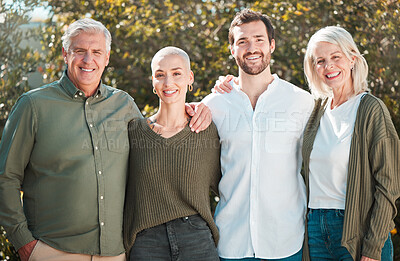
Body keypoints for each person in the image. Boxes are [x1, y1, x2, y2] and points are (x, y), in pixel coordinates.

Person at [0, 19, 210, 261]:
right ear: (65, 55)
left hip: (113, 254)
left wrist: (196, 109)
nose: (89, 60)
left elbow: (157, 142)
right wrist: (24, 243)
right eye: (80, 51)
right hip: (53, 251)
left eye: (97, 52)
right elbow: (6, 176)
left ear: (107, 57)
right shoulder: (33, 105)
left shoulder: (123, 104)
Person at [202, 9, 314, 260]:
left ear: (272, 45)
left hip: (285, 241)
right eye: (242, 41)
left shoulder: (301, 102)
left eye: (259, 39)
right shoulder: (214, 104)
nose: (252, 48)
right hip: (231, 242)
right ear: (232, 50)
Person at [302, 26, 400, 261]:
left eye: (336, 57)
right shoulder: (315, 110)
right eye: (321, 61)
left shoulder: (370, 109)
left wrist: (373, 246)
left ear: (352, 59)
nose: (329, 66)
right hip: (314, 229)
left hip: (357, 229)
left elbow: (389, 183)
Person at [123, 46, 221, 260]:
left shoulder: (206, 130)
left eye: (176, 73)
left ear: (189, 77)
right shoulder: (134, 132)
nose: (168, 83)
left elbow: (229, 184)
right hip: (147, 242)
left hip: (196, 239)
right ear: (153, 82)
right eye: (160, 75)